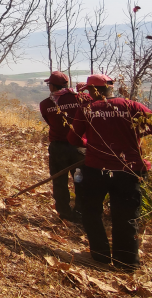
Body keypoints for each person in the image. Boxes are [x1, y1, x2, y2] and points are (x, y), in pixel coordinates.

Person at [68, 74, 151, 269]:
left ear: (93, 91)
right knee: (126, 215)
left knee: (91, 211)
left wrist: (90, 145)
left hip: (97, 169)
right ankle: (127, 262)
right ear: (110, 88)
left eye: (89, 90)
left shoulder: (87, 109)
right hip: (129, 170)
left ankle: (100, 255)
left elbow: (73, 139)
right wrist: (136, 135)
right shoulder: (133, 106)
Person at [39, 71, 90, 223]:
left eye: (50, 85)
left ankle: (64, 212)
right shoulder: (82, 98)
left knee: (59, 180)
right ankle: (81, 212)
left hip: (58, 148)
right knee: (81, 181)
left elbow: (50, 122)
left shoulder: (46, 104)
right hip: (80, 148)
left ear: (53, 86)